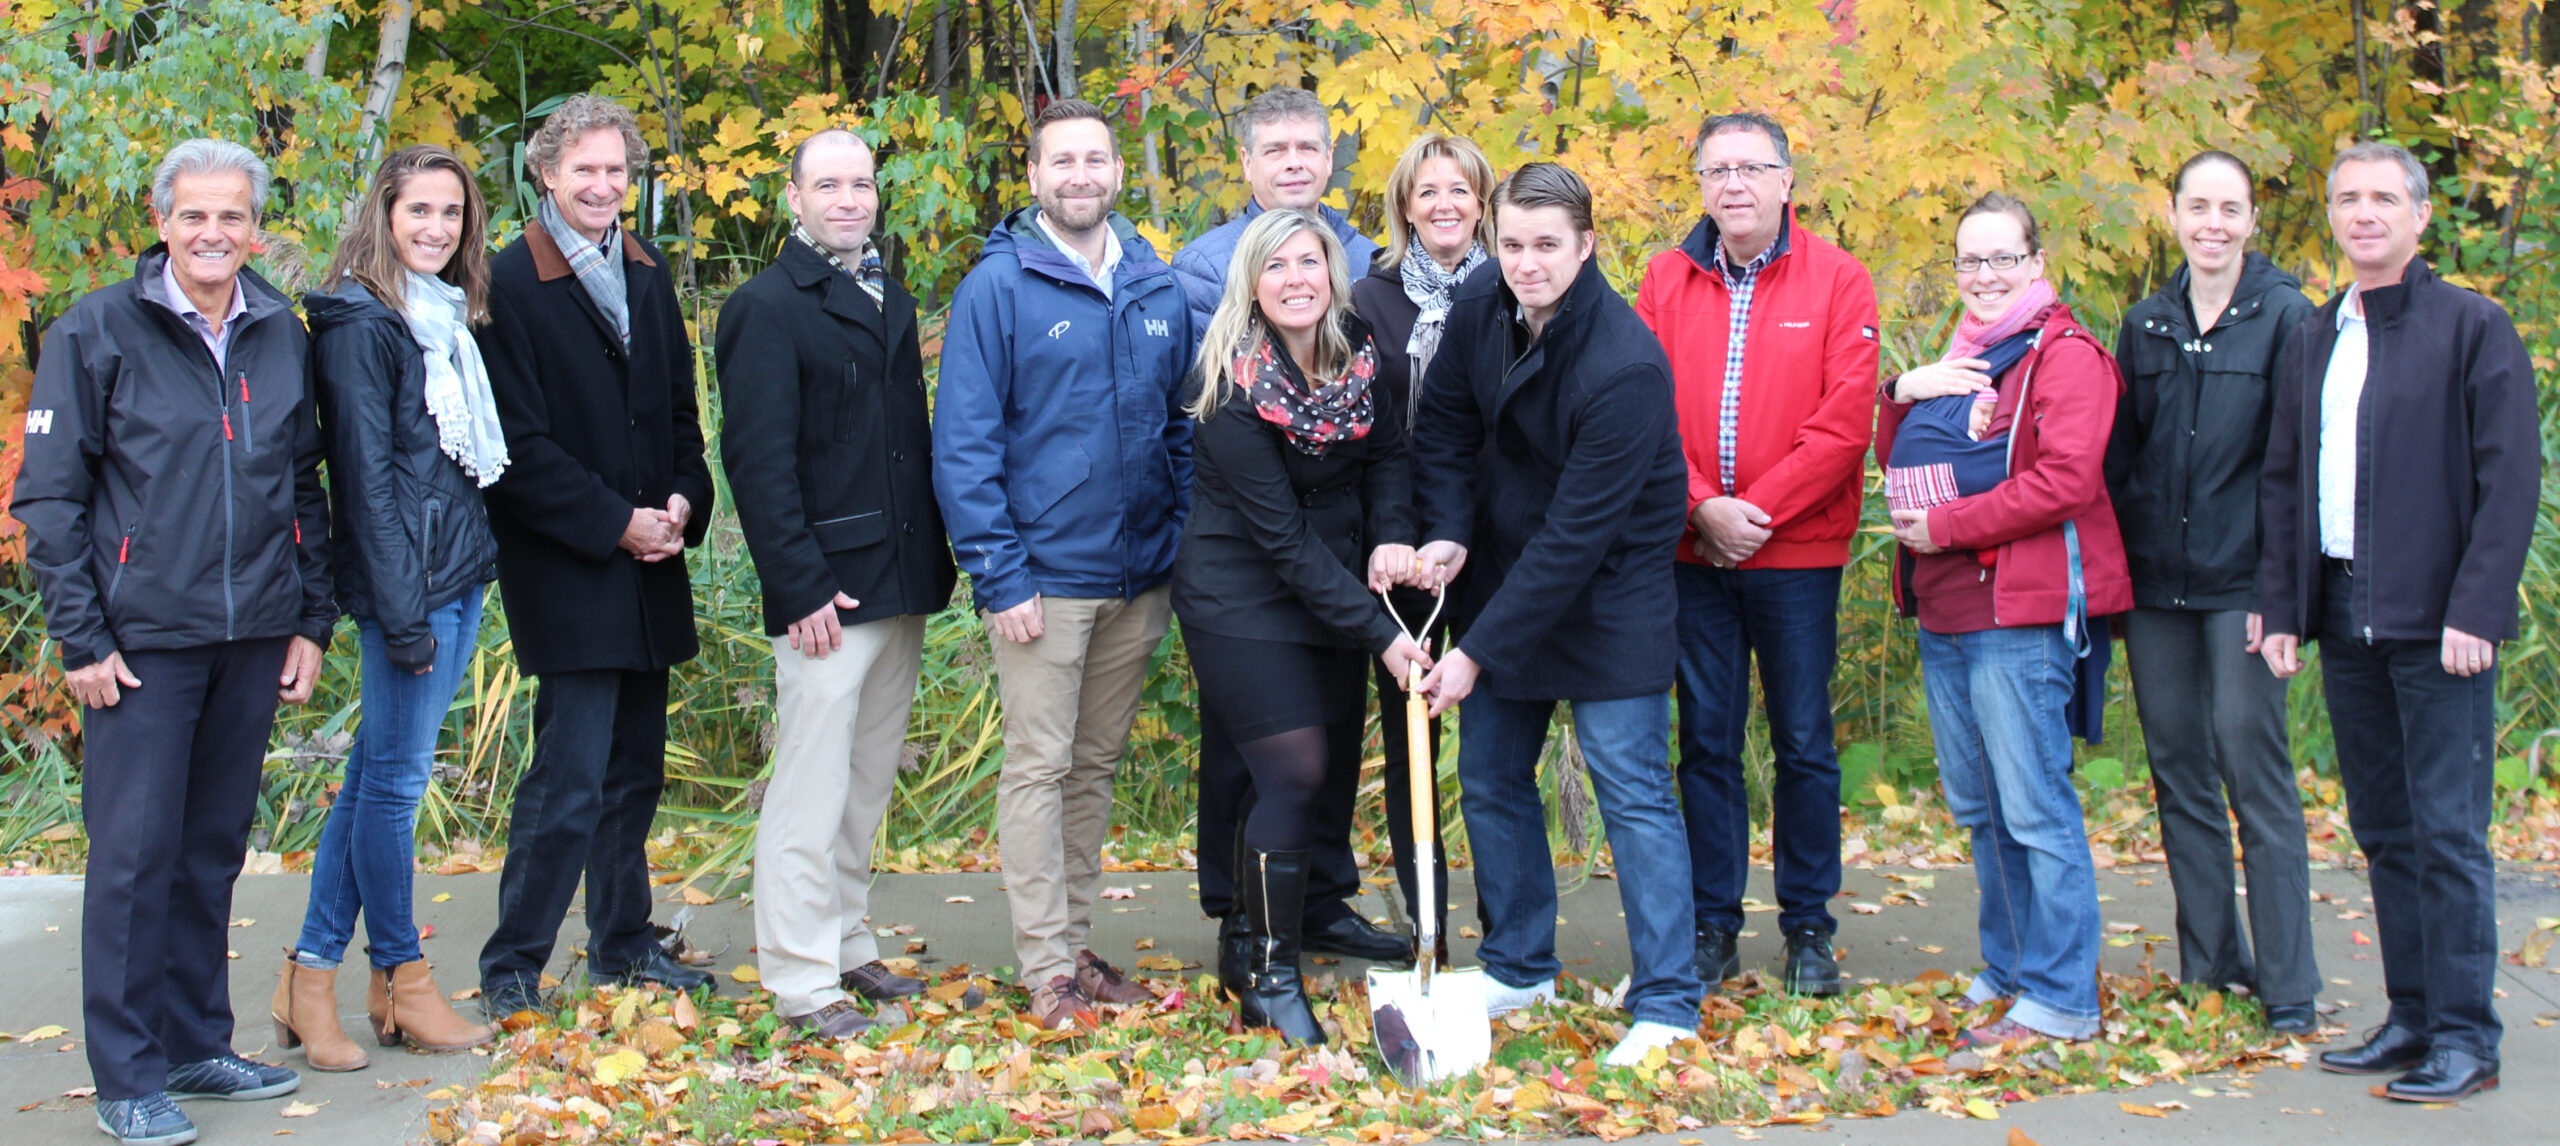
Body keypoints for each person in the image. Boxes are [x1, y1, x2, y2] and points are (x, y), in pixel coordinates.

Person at [15, 137, 335, 1146]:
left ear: (255, 228)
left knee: (208, 854)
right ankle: (126, 1076)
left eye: (231, 216)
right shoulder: (96, 330)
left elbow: (302, 488)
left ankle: (197, 1041)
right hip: (140, 645)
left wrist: (310, 619)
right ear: (161, 223)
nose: (212, 233)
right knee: (133, 860)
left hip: (252, 637)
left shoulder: (282, 329)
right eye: (193, 215)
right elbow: (51, 498)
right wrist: (82, 639)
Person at [2257, 142, 2538, 1103]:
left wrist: (2478, 610)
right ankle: (2413, 1015)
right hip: (2344, 612)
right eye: (2346, 198)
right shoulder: (2317, 334)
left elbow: (2510, 485)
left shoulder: (2473, 327)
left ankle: (2468, 1036)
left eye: (2384, 197)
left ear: (2420, 217)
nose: (2363, 212)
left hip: (2438, 622)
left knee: (2449, 833)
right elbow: (2289, 478)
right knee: (2384, 827)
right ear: (2331, 216)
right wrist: (2284, 608)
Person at [1408, 162, 1703, 1067]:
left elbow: (1578, 538)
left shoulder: (1626, 365)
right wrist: (1451, 532)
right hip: (1502, 572)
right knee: (1492, 775)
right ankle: (1520, 965)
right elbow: (1446, 429)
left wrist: (1476, 654)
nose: (1526, 264)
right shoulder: (1481, 306)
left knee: (1634, 792)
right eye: (1513, 244)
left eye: (1547, 246)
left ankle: (1667, 1002)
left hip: (1607, 594)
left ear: (1586, 246)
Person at [933, 98, 1192, 1031]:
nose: (1080, 175)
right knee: (1039, 769)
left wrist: (1183, 545)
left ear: (1117, 171)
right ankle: (1044, 967)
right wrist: (1000, 576)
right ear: (1035, 177)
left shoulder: (1155, 283)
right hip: (1044, 580)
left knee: (1093, 767)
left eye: (1096, 159)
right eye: (1062, 162)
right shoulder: (998, 288)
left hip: (1140, 577)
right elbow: (964, 447)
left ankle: (1075, 944)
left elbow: (1179, 430)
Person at [473, 94, 718, 1018]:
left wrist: (683, 503)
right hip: (570, 566)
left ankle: (622, 942)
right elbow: (517, 453)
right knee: (567, 778)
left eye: (617, 170)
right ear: (545, 173)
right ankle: (512, 963)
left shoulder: (647, 274)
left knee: (635, 773)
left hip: (654, 563)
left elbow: (683, 417)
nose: (603, 186)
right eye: (584, 170)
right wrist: (616, 520)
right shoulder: (505, 284)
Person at [716, 129, 962, 1040]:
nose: (849, 199)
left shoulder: (885, 291)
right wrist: (799, 584)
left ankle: (848, 937)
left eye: (861, 183)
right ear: (794, 197)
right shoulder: (766, 306)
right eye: (829, 185)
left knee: (864, 782)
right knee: (810, 787)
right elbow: (758, 461)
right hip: (827, 590)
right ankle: (799, 976)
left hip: (898, 577)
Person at [1634, 112, 1879, 997]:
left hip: (1796, 555)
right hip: (1691, 555)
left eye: (1752, 168)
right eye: (1716, 170)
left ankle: (1809, 926)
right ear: (1699, 183)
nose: (1733, 185)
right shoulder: (1665, 281)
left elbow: (1844, 424)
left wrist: (1757, 513)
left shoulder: (1839, 281)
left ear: (1786, 181)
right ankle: (1712, 926)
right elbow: (1643, 409)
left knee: (1804, 741)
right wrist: (1702, 507)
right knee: (1705, 741)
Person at [1174, 208, 1433, 1044]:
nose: (1296, 279)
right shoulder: (1230, 386)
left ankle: (1249, 940)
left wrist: (1392, 532)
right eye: (1276, 265)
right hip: (1243, 596)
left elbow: (1389, 453)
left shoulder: (1360, 351)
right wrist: (1383, 635)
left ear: (1333, 272)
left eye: (1310, 262)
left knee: (1299, 779)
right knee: (1293, 771)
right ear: (1252, 281)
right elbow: (1280, 538)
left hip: (1333, 585)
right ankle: (1272, 980)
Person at [1879, 191, 2131, 1046]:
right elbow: (1901, 455)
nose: (1983, 277)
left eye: (2001, 259)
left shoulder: (2065, 358)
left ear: (2035, 263)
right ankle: (2012, 969)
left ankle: (2061, 997)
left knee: (2033, 806)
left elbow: (2068, 481)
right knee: (1981, 808)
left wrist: (1946, 524)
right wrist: (1899, 390)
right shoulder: (1967, 356)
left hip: (2015, 610)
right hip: (1946, 611)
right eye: (1969, 261)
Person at [277, 144, 504, 1074]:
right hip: (408, 591)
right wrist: (403, 616)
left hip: (454, 575)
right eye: (419, 212)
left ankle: (313, 979)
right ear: (383, 214)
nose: (437, 229)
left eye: (451, 214)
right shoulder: (362, 326)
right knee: (396, 785)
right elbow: (366, 488)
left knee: (377, 773)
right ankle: (400, 975)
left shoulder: (440, 316)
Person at [2105, 150, 2319, 1034]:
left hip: (2246, 587)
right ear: (2174, 214)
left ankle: (2290, 988)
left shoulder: (2288, 317)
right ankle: (2210, 969)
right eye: (2198, 206)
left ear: (2252, 220)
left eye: (2230, 208)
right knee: (2178, 774)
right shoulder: (2145, 324)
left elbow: (2301, 468)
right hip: (2158, 589)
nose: (2214, 224)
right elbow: (2122, 463)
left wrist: (2286, 597)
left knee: (2251, 769)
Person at [1345, 131, 1496, 961]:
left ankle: (1509, 920)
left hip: (1494, 545)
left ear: (1483, 204)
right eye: (1426, 191)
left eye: (1460, 190)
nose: (1444, 205)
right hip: (1406, 555)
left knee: (1499, 738)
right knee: (1413, 738)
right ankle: (1426, 919)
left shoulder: (1516, 291)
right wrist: (1396, 538)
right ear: (1405, 206)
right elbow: (1371, 438)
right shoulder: (1369, 304)